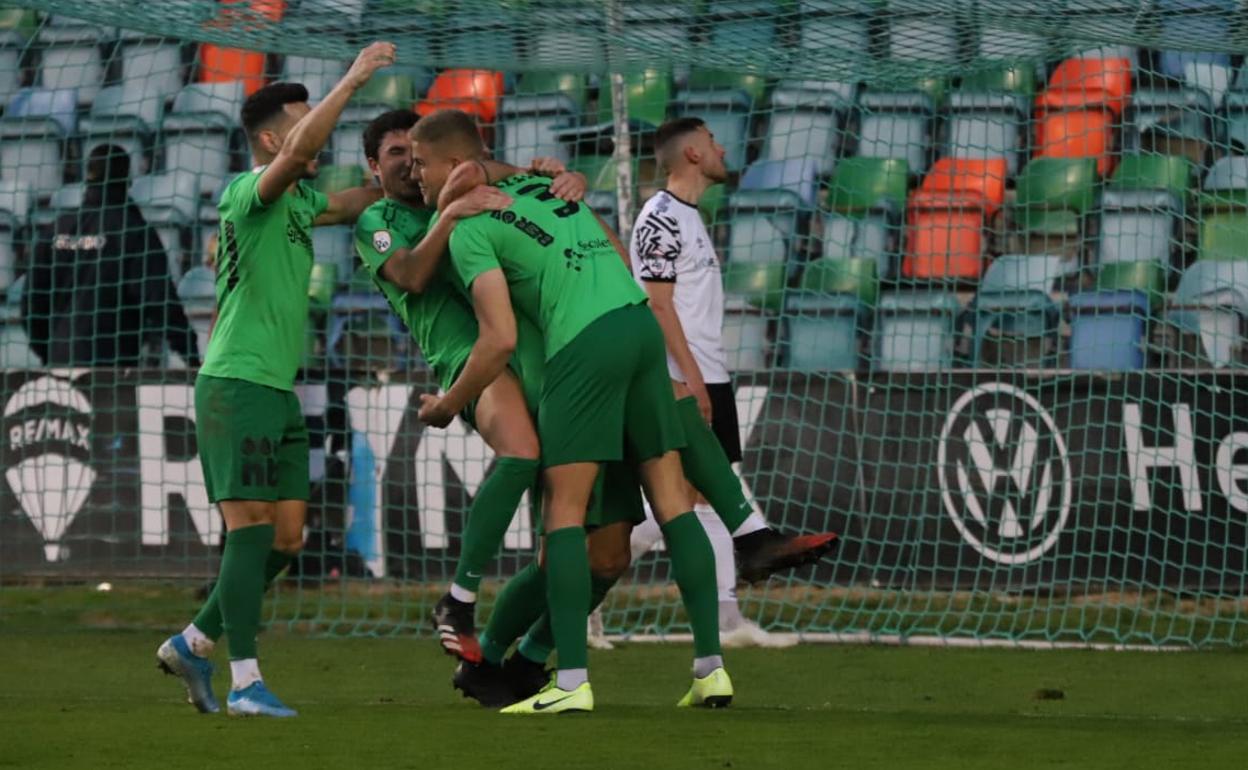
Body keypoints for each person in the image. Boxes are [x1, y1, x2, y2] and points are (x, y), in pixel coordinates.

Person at [412, 108, 731, 714]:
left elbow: (500, 337)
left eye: (423, 163)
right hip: (637, 328)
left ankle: (568, 682)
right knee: (671, 503)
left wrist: (450, 403)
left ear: (456, 167)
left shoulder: (472, 227)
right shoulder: (543, 187)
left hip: (582, 355)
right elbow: (613, 251)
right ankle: (710, 667)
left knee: (564, 515)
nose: (417, 176)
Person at [155, 41, 396, 719]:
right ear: (269, 139)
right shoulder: (247, 190)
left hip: (275, 389)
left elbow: (348, 204)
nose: (312, 128)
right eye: (302, 118)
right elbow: (294, 159)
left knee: (287, 538)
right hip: (235, 382)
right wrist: (349, 83)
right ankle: (245, 683)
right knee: (251, 530)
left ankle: (194, 641)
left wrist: (413, 180)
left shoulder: (296, 202)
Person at [626, 117, 825, 648]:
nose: (722, 148)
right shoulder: (660, 216)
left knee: (705, 502)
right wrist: (690, 378)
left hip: (708, 374)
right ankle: (577, 591)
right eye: (713, 142)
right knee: (680, 501)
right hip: (680, 378)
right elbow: (656, 304)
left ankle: (729, 621)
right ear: (692, 154)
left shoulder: (689, 217)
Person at [25, 144, 198, 367]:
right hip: (114, 371)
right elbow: (161, 302)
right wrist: (191, 357)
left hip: (60, 365)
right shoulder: (134, 231)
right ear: (127, 180)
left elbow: (31, 304)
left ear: (87, 177)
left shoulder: (55, 230)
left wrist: (48, 351)